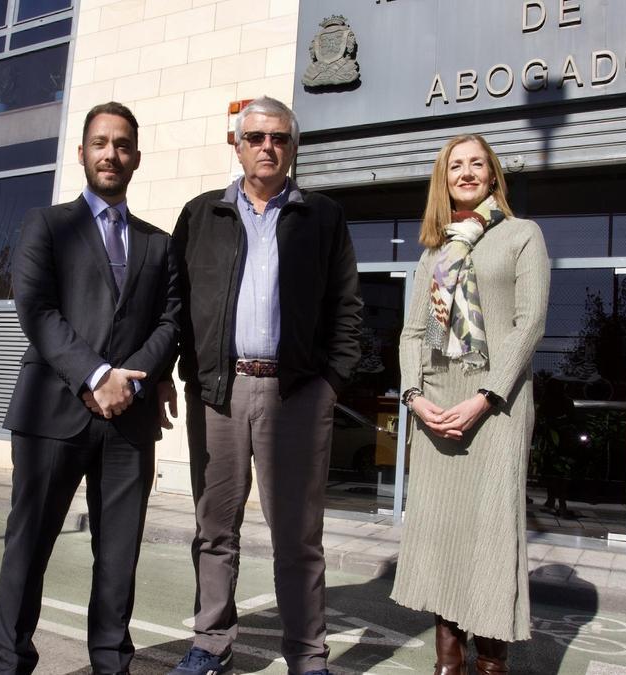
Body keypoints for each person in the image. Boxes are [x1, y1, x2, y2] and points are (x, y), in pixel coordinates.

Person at [163, 95, 361, 675]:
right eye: (256, 138)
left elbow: (346, 307)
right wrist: (182, 374)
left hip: (296, 393)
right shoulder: (201, 215)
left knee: (298, 537)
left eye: (279, 138)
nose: (267, 147)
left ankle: (307, 657)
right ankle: (210, 643)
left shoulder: (322, 216)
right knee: (214, 527)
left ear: (293, 147)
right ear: (238, 144)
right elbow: (176, 304)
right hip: (219, 395)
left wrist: (329, 382)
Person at [0, 101, 180, 675]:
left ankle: (110, 665)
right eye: (100, 143)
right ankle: (10, 663)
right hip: (53, 412)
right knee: (29, 547)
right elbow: (38, 311)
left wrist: (131, 383)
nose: (110, 154)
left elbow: (172, 321)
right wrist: (97, 377)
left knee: (118, 558)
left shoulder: (159, 244)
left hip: (129, 422)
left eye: (122, 145)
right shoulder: (46, 226)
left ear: (136, 158)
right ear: (82, 153)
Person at [390, 134, 550, 675]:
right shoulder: (434, 251)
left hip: (496, 405)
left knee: (489, 528)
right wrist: (414, 397)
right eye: (455, 165)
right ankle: (448, 662)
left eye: (476, 163)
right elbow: (414, 333)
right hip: (437, 405)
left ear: (493, 175)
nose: (465, 172)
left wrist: (485, 397)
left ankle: (491, 663)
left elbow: (530, 324)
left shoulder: (523, 236)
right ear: (444, 178)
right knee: (441, 531)